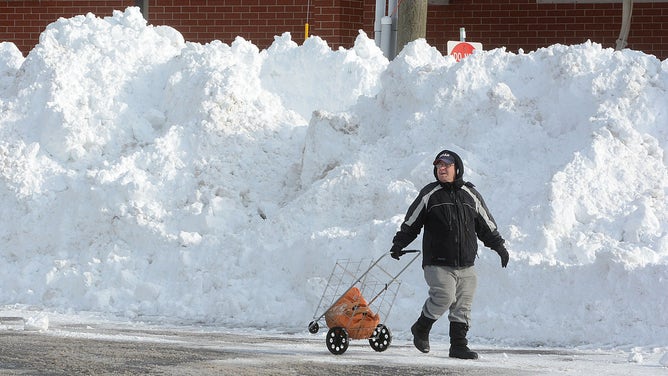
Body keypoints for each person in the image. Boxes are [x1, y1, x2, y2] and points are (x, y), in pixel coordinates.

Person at [389, 149, 509, 360]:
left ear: (457, 168)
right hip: (438, 262)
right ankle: (421, 327)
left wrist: (499, 246)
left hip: (466, 263)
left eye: (446, 165)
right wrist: (399, 243)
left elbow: (485, 224)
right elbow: (411, 222)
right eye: (438, 166)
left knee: (463, 304)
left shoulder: (470, 194)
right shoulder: (429, 194)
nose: (441, 169)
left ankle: (458, 346)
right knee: (444, 296)